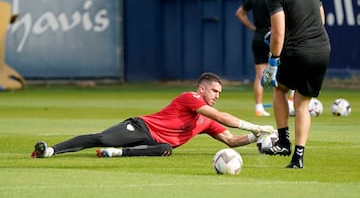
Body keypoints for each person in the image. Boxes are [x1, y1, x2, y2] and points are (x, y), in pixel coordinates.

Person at [31, 72, 275, 158]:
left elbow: (231, 141)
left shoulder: (206, 122)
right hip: (141, 128)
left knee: (165, 148)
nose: (217, 95)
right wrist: (254, 125)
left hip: (154, 143)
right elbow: (222, 117)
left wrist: (257, 136)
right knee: (101, 138)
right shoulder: (190, 97)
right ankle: (50, 150)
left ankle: (117, 154)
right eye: (214, 90)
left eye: (220, 92)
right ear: (202, 88)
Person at [261, 0, 331, 168]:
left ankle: (283, 143)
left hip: (297, 50)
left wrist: (272, 63)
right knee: (302, 105)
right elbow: (321, 19)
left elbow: (278, 33)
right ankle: (298, 157)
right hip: (322, 50)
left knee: (279, 89)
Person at [235, 0, 271, 117]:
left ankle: (259, 108)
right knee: (285, 71)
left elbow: (239, 13)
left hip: (258, 37)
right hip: (274, 36)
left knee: (259, 75)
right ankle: (289, 103)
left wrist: (252, 27)